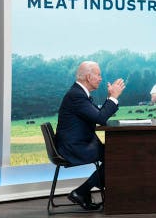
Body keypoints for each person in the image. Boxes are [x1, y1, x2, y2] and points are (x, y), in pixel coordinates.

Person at [55, 61, 125, 210]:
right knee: (116, 157)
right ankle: (82, 192)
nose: (101, 78)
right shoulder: (77, 96)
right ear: (88, 77)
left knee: (115, 155)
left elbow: (98, 115)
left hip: (78, 144)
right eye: (98, 75)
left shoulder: (79, 93)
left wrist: (109, 98)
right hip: (73, 148)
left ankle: (83, 192)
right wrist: (113, 97)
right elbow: (101, 119)